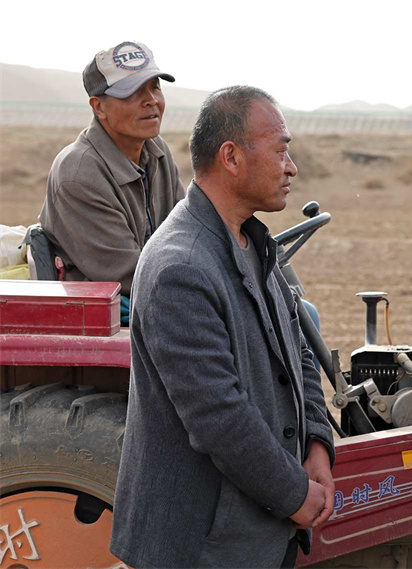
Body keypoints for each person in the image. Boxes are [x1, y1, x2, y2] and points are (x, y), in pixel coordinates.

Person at [109, 86, 335, 568]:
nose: (291, 167)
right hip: (202, 545)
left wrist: (316, 441)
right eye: (280, 151)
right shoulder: (181, 266)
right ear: (231, 157)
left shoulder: (253, 242)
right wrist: (294, 493)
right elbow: (218, 414)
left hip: (256, 535)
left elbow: (296, 348)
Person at [38, 41, 185, 322]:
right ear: (99, 107)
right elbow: (130, 273)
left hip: (159, 297)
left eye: (155, 87)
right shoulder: (78, 173)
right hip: (102, 321)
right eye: (133, 92)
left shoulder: (157, 151)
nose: (151, 100)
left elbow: (186, 231)